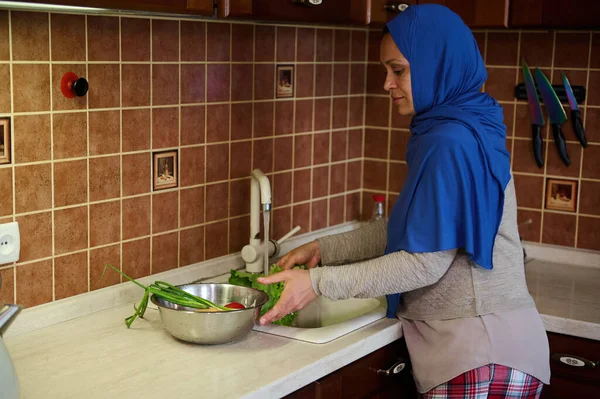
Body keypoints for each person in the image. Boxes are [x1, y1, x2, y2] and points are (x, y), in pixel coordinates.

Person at [257, 4, 550, 398]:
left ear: (436, 63)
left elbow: (424, 262)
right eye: (386, 71)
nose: (387, 84)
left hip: (478, 354)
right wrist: (324, 250)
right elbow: (411, 228)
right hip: (495, 350)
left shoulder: (449, 141)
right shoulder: (465, 124)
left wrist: (318, 283)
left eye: (399, 70)